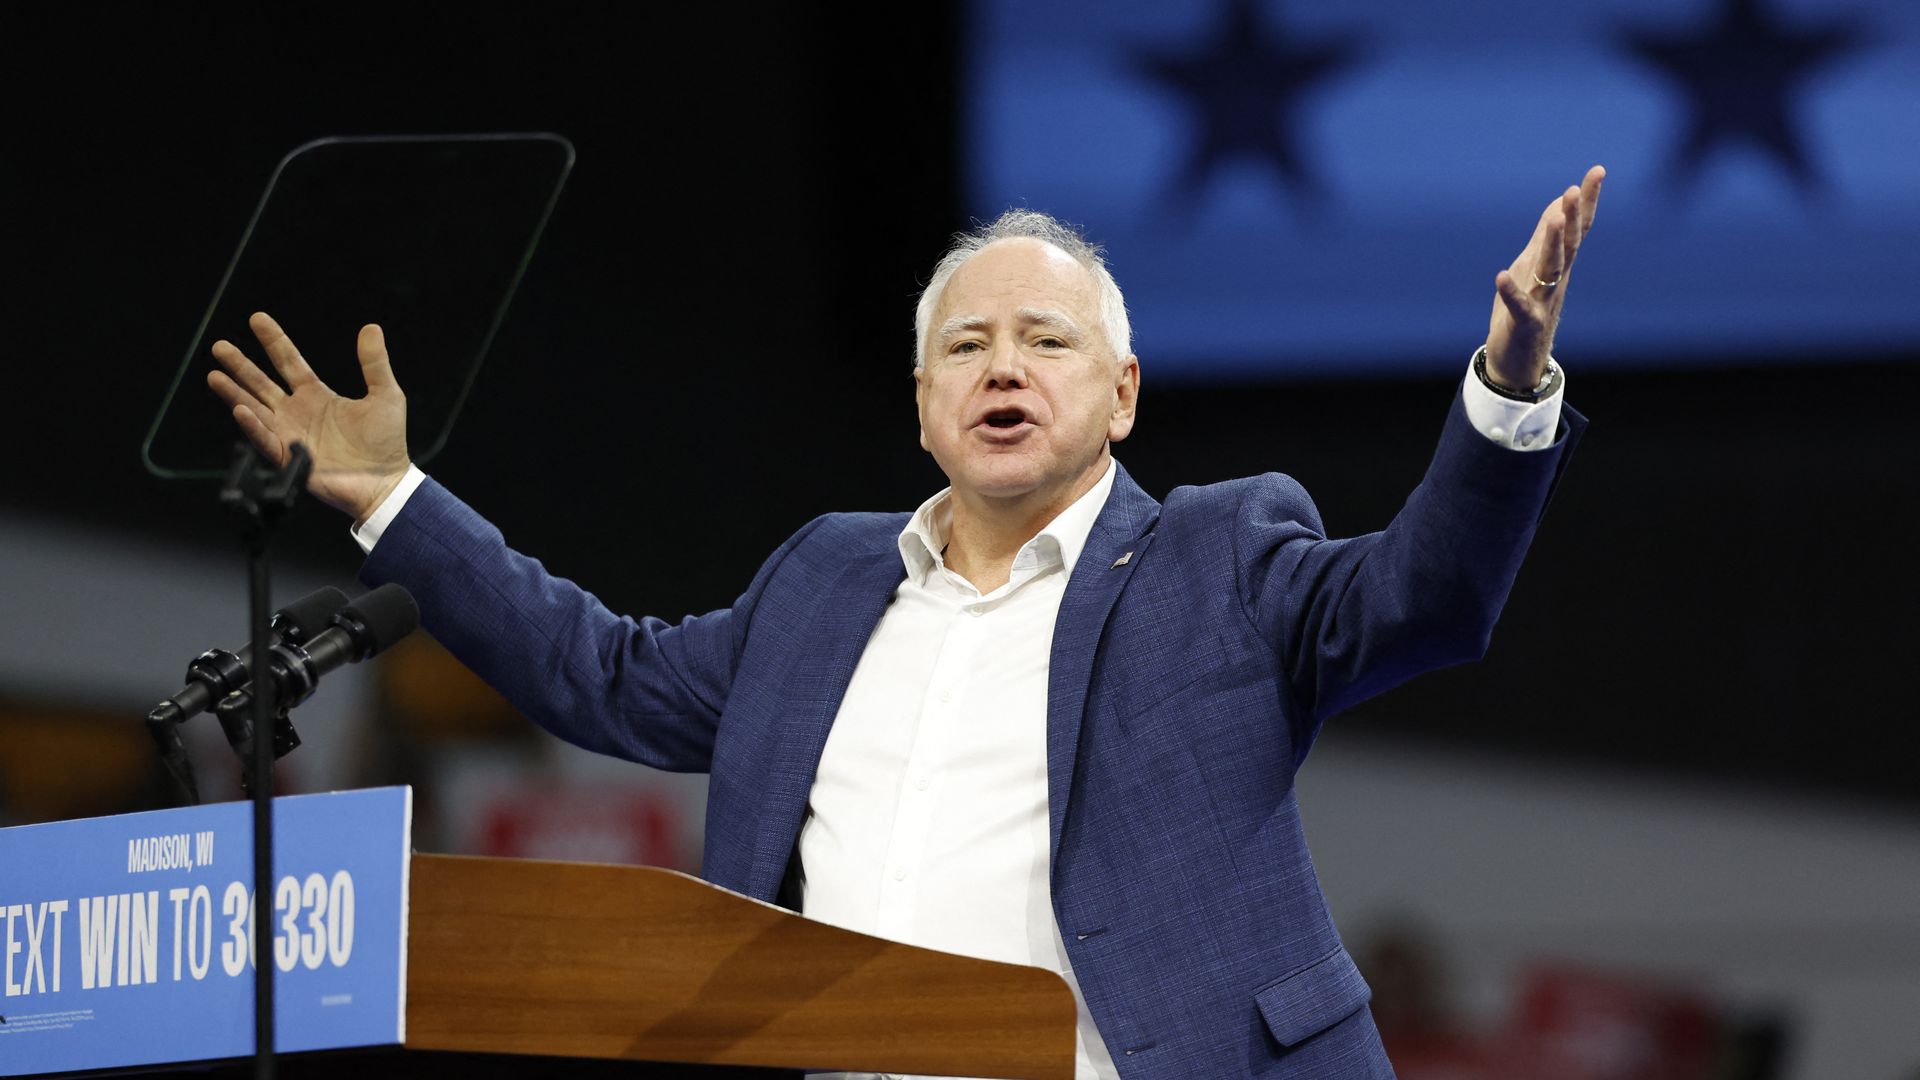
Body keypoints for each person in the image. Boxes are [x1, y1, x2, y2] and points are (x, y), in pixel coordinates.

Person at [207, 165, 1604, 1079]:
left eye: (1046, 343)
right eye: (967, 346)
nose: (1005, 366)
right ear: (927, 404)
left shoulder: (1220, 555)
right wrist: (389, 495)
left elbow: (1424, 597)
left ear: (1121, 395)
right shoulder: (820, 581)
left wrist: (1506, 384)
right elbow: (600, 675)